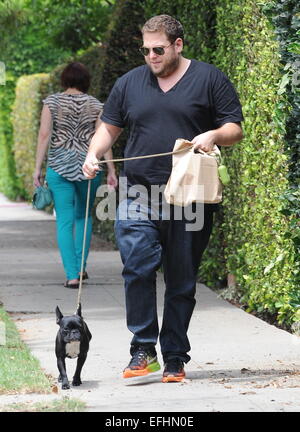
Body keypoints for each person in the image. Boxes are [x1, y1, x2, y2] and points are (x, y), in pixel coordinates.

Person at [82, 15, 243, 382]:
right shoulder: (129, 84)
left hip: (191, 196)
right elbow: (108, 126)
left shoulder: (209, 79)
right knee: (137, 262)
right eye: (146, 50)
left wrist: (214, 134)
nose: (151, 57)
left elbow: (235, 128)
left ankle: (174, 356)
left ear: (178, 45)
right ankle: (142, 348)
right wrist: (94, 153)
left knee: (182, 279)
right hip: (139, 190)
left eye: (158, 49)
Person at [34, 62, 117, 289]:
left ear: (64, 80)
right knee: (84, 217)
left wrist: (37, 169)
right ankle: (80, 268)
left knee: (64, 221)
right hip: (87, 168)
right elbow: (105, 137)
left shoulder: (51, 102)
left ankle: (71, 274)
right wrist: (111, 169)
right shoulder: (96, 105)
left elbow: (43, 135)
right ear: (85, 81)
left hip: (59, 168)